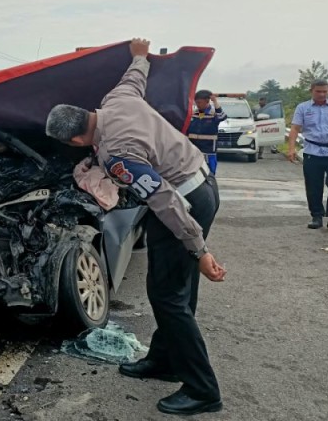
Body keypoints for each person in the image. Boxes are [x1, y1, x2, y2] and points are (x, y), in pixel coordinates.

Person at [46, 38, 226, 416]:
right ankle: (164, 360)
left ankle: (202, 388)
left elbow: (165, 201)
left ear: (77, 139)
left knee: (168, 296)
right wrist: (140, 56)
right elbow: (134, 78)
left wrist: (199, 251)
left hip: (186, 200)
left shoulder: (117, 155)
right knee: (171, 287)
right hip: (199, 181)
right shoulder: (116, 101)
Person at [287, 80, 328, 231]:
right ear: (312, 91)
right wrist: (291, 149)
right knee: (313, 186)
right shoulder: (303, 108)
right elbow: (295, 129)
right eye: (318, 91)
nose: (322, 94)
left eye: (325, 91)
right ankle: (316, 216)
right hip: (312, 152)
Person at [188, 90, 227, 175]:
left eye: (199, 102)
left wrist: (215, 101)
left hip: (208, 150)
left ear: (207, 101)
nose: (198, 105)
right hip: (194, 149)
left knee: (210, 172)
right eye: (196, 102)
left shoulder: (213, 114)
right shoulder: (194, 114)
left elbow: (222, 116)